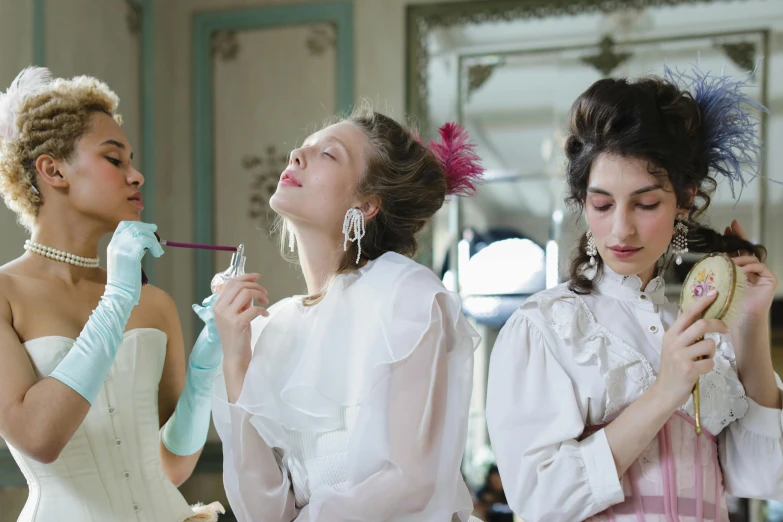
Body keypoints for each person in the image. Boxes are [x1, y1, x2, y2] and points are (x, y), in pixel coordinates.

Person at [486, 65, 783, 521]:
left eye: (646, 204)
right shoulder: (547, 326)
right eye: (602, 204)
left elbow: (762, 476)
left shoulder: (697, 331)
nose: (621, 228)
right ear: (584, 202)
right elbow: (540, 502)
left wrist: (751, 324)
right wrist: (665, 391)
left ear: (684, 200)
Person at [210, 105, 484, 521]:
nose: (296, 156)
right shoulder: (274, 327)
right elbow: (264, 512)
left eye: (328, 153)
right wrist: (235, 356)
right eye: (302, 148)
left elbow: (412, 482)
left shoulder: (405, 294)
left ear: (367, 203)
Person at [0, 67, 222, 521]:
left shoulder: (156, 305)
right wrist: (118, 295)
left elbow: (172, 467)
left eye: (132, 160)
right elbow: (39, 438)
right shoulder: (6, 293)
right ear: (53, 169)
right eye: (114, 159)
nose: (137, 176)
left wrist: (207, 366)